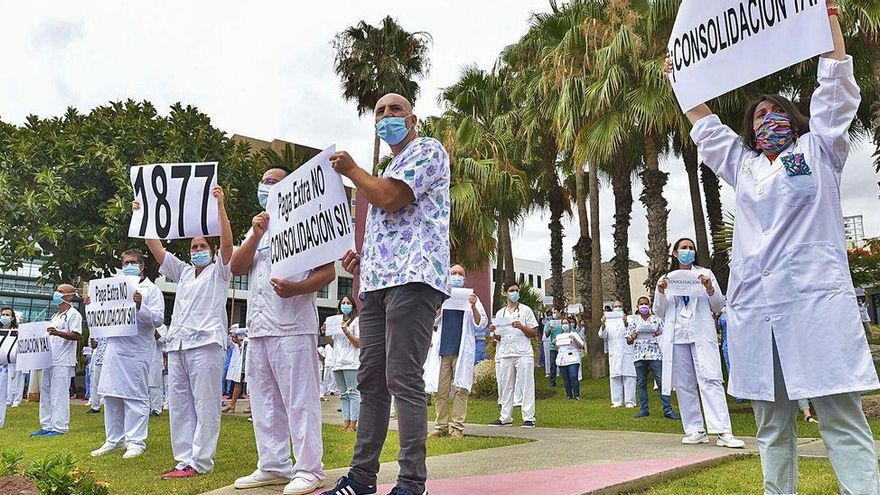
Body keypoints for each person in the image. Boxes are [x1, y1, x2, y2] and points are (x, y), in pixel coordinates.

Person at [670, 5, 880, 491]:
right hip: (757, 311)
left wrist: (828, 23)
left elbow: (836, 89)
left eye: (777, 111)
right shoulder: (742, 167)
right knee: (771, 427)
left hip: (813, 305)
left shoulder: (819, 149)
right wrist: (680, 77)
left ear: (795, 118)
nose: (768, 119)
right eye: (759, 115)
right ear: (750, 129)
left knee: (841, 421)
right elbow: (706, 127)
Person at [323, 92, 450, 495]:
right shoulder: (388, 166)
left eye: (395, 109)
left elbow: (392, 198)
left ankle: (413, 483)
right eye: (379, 111)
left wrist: (353, 171)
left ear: (413, 118)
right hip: (377, 284)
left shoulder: (427, 150)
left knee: (403, 378)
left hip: (414, 279)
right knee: (370, 381)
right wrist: (365, 260)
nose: (387, 116)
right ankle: (361, 479)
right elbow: (391, 222)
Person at [230, 167, 333, 495]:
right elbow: (236, 267)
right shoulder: (258, 227)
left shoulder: (308, 222)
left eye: (274, 181)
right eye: (264, 180)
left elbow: (328, 272)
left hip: (293, 328)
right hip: (258, 329)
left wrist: (297, 288)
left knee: (300, 401)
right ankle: (273, 465)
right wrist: (256, 234)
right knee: (264, 401)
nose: (267, 186)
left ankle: (309, 469)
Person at [138, 185, 232, 479]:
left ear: (212, 251)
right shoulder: (184, 272)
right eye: (194, 247)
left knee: (205, 406)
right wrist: (143, 216)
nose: (198, 250)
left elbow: (228, 246)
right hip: (177, 345)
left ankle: (201, 462)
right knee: (178, 405)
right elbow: (156, 249)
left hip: (207, 344)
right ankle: (183, 461)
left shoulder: (220, 270)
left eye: (203, 246)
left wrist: (220, 206)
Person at [654, 239, 744, 449]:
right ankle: (695, 429)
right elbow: (659, 312)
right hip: (677, 337)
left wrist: (710, 288)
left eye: (691, 248)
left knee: (711, 379)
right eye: (683, 248)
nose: (687, 251)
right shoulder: (666, 278)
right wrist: (660, 291)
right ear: (675, 253)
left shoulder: (705, 274)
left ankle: (723, 431)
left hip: (700, 334)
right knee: (684, 385)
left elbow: (719, 305)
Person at [88, 248, 165, 459]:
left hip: (137, 350)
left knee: (135, 395)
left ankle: (136, 441)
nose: (128, 266)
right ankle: (114, 439)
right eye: (125, 263)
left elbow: (158, 320)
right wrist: (92, 305)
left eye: (133, 262)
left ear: (141, 266)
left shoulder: (151, 290)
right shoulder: (114, 287)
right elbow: (102, 317)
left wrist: (141, 306)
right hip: (114, 349)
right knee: (111, 395)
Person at [424, 264, 487, 438]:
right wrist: (440, 304)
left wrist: (473, 306)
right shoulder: (442, 296)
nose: (457, 276)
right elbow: (433, 320)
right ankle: (441, 426)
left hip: (462, 350)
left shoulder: (471, 297)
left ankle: (457, 427)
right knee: (440, 390)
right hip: (443, 350)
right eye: (453, 273)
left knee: (461, 389)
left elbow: (481, 323)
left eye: (460, 274)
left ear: (465, 278)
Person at [32, 284, 81, 437]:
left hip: (63, 361)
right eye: (56, 291)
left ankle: (60, 427)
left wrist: (58, 333)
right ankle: (46, 424)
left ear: (70, 296)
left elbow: (77, 335)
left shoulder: (74, 314)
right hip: (49, 359)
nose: (56, 294)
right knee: (46, 392)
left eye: (60, 292)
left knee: (59, 394)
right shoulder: (56, 316)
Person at [489, 281, 539, 428]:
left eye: (516, 290)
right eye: (511, 290)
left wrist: (522, 327)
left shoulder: (526, 310)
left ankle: (529, 417)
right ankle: (505, 417)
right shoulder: (500, 313)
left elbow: (534, 332)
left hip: (523, 352)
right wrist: (493, 330)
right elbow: (498, 337)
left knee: (526, 384)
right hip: (505, 352)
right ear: (505, 293)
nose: (515, 293)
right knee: (505, 385)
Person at [626, 297, 677, 419]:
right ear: (637, 306)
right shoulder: (633, 321)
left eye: (646, 304)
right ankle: (644, 409)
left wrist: (660, 334)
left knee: (660, 382)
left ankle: (668, 410)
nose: (644, 306)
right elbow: (628, 340)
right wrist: (632, 336)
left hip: (655, 354)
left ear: (650, 305)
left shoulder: (657, 320)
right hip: (639, 355)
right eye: (641, 304)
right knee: (641, 383)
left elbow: (667, 336)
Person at [332, 295, 361, 433]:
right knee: (343, 394)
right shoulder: (335, 321)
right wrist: (326, 330)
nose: (345, 305)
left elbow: (358, 343)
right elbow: (334, 342)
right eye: (343, 303)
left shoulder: (356, 321)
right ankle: (346, 423)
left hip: (351, 362)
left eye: (348, 303)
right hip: (337, 362)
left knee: (352, 392)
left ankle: (353, 424)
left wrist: (347, 332)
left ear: (353, 306)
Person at [599, 301, 636, 408]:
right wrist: (603, 324)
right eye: (615, 306)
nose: (617, 308)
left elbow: (633, 331)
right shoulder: (608, 321)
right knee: (615, 377)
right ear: (612, 308)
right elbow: (602, 335)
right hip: (614, 353)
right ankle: (617, 401)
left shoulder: (629, 319)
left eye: (619, 306)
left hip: (627, 353)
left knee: (629, 377)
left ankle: (630, 401)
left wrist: (625, 322)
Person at [554, 318, 584, 400]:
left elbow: (581, 346)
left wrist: (574, 339)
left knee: (573, 376)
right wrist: (555, 343)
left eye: (566, 323)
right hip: (562, 358)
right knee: (566, 378)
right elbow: (557, 349)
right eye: (563, 323)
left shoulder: (574, 334)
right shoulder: (559, 336)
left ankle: (577, 395)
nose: (564, 325)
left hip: (573, 357)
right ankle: (569, 395)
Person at [0, 307, 18, 428]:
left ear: (12, 318)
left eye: (7, 315)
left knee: (2, 395)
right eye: (3, 314)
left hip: (7, 366)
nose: (5, 316)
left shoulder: (16, 331)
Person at [223, 331, 248, 414]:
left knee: (251, 382)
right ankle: (232, 404)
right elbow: (241, 348)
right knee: (238, 381)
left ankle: (251, 406)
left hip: (248, 358)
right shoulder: (244, 339)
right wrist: (238, 342)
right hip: (243, 359)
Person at [148, 325, 166, 417]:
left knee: (154, 384)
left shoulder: (162, 327)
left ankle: (156, 409)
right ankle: (147, 407)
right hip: (143, 358)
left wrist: (154, 330)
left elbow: (163, 341)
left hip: (155, 359)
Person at [544, 314, 565, 387]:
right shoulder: (550, 323)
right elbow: (546, 335)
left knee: (564, 364)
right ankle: (552, 382)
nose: (554, 314)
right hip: (553, 347)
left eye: (555, 312)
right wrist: (550, 329)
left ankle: (566, 380)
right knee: (553, 365)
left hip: (562, 346)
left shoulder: (563, 322)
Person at [87, 337, 107, 413]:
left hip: (109, 360)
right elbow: (94, 346)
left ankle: (107, 406)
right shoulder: (99, 331)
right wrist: (92, 336)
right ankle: (95, 406)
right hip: (98, 359)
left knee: (108, 385)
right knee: (95, 383)